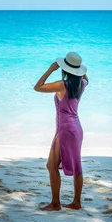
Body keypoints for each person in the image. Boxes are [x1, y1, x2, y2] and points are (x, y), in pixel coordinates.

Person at [34, 52, 88, 211]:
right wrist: (79, 69)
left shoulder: (61, 85)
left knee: (51, 166)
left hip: (65, 129)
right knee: (77, 166)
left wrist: (51, 69)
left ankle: (56, 203)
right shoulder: (81, 85)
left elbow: (37, 87)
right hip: (76, 128)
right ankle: (76, 203)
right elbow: (85, 78)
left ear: (65, 69)